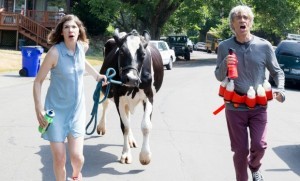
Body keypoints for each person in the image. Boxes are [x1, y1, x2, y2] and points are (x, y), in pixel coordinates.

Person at [214, 5, 285, 181]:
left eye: (246, 17)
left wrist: (281, 90)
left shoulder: (264, 46)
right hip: (234, 107)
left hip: (259, 107)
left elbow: (278, 72)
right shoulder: (224, 46)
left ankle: (254, 167)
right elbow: (218, 75)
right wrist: (225, 62)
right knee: (240, 151)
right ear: (232, 23)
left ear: (251, 22)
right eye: (238, 17)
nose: (242, 20)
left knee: (259, 145)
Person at [33, 14, 107, 181]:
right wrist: (38, 108)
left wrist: (97, 76)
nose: (70, 30)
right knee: (60, 158)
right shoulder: (54, 53)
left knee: (77, 158)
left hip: (76, 113)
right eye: (66, 27)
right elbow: (38, 82)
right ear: (61, 33)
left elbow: (83, 62)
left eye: (74, 27)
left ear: (79, 30)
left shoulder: (83, 47)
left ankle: (75, 176)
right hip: (55, 113)